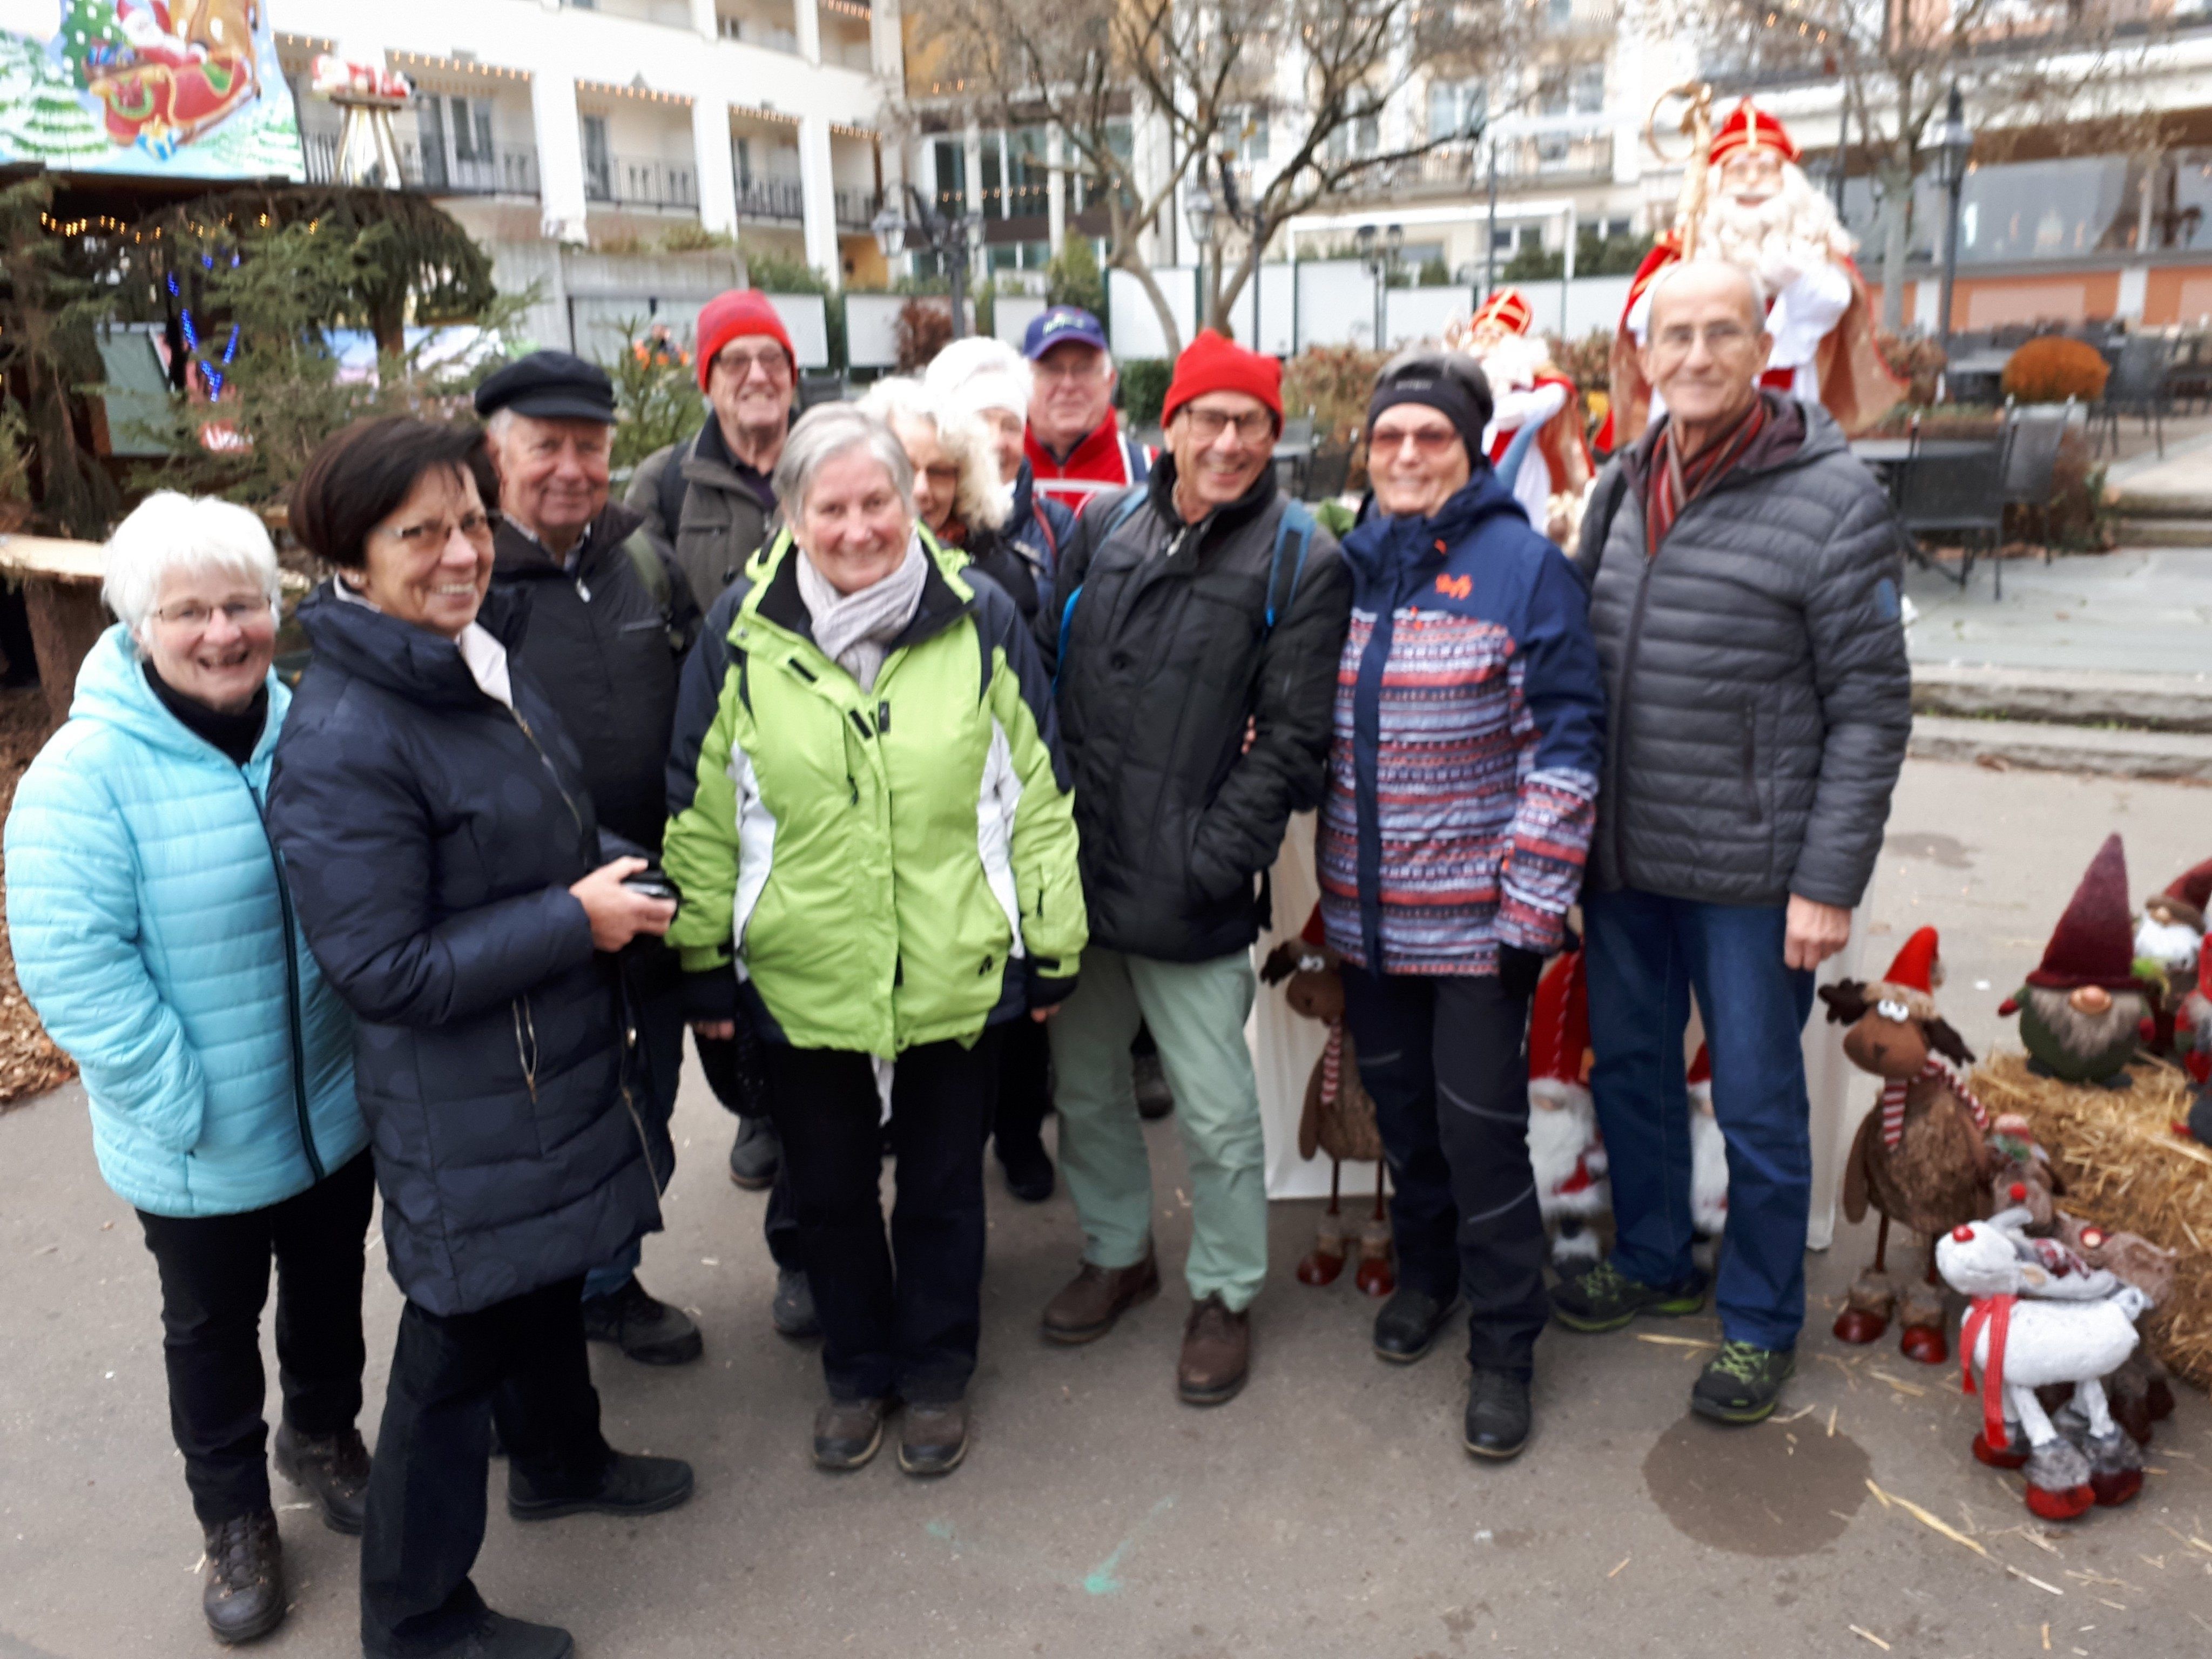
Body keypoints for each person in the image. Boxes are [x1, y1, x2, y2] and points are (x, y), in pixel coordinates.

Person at [268, 417, 694, 1659]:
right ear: (353, 556)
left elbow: (526, 830)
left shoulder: (467, 656)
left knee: (546, 1277)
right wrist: (574, 916)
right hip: (467, 1092)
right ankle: (414, 1614)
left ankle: (561, 1455)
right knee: (454, 1345)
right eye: (421, 532)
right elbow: (383, 965)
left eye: (469, 522)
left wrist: (609, 872)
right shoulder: (350, 732)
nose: (460, 552)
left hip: (540, 1056)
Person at [663, 403, 1085, 1477]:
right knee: (832, 1186)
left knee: (945, 1185)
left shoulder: (980, 617)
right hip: (807, 970)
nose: (858, 527)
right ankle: (856, 1371)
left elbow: (1035, 793)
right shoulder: (741, 634)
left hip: (956, 959)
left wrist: (1051, 943)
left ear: (913, 501)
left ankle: (936, 1372)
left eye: (877, 500)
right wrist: (704, 964)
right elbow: (704, 811)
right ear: (792, 517)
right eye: (831, 506)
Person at [5, 494, 371, 1645]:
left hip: (327, 1102)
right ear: (136, 622)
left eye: (246, 605)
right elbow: (73, 964)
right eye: (191, 611)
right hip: (197, 1130)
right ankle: (234, 1516)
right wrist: (179, 1100)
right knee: (210, 1329)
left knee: (327, 1298)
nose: (224, 633)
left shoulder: (307, 726)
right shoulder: (85, 774)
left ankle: (320, 1436)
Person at [1554, 259, 1911, 1426]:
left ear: (1761, 344)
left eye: (1721, 333)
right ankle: (1653, 1253)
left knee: (1756, 1101)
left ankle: (1758, 1318)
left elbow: (1869, 705)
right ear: (1642, 355)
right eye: (1675, 335)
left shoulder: (1832, 497)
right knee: (1637, 1076)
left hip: (1754, 878)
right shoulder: (1618, 482)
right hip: (1623, 861)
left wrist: (1825, 880)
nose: (1695, 356)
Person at [1035, 329, 1349, 1405]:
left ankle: (1223, 1291)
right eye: (1205, 418)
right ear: (1164, 427)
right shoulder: (1102, 522)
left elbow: (1295, 744)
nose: (1225, 440)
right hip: (1079, 877)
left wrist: (1214, 859)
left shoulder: (1303, 557)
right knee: (1083, 1090)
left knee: (1214, 1112)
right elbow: (1044, 671)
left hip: (1189, 889)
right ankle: (1119, 1254)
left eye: (1248, 422)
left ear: (1272, 435)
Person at [1319, 350, 1606, 1460]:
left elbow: (1565, 746)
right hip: (1363, 920)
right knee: (1402, 1125)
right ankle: (1427, 1275)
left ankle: (1503, 1346)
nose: (1403, 454)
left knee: (1480, 1141)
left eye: (1427, 437)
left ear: (1468, 447)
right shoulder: (1343, 564)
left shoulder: (1521, 567)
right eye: (1386, 437)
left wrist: (1528, 912)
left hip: (1481, 929)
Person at [476, 350, 704, 1367]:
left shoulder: (643, 560)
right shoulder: (468, 580)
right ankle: (531, 1332)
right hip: (537, 918)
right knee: (543, 1132)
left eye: (589, 447)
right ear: (495, 452)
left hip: (658, 899)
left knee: (644, 1100)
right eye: (545, 446)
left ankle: (607, 1283)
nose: (571, 468)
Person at [861, 375, 1058, 1204]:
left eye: (943, 471)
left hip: (984, 837)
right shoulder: (844, 568)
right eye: (909, 468)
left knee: (1005, 1029)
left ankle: (1016, 1137)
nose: (927, 488)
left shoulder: (999, 577)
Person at [627, 290, 797, 1235]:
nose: (756, 377)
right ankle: (753, 1105)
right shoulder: (665, 482)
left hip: (817, 749)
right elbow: (635, 604)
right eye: (734, 362)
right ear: (708, 379)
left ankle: (810, 1105)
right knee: (721, 945)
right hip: (711, 748)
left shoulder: (826, 454)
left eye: (771, 358)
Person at [1599, 98, 1903, 449]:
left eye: (1765, 170)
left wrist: (1796, 279)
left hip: (1785, 420)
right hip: (1693, 414)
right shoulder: (1686, 250)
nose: (1752, 182)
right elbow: (1646, 323)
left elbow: (1834, 302)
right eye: (1739, 171)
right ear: (1716, 183)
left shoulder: (1811, 248)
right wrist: (1685, 286)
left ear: (1788, 181)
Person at [926, 334, 1074, 577]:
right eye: (981, 424)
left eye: (1011, 427)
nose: (997, 442)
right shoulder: (919, 521)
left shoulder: (1057, 526)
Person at [1021, 304, 1152, 516]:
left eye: (1084, 369)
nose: (1068, 385)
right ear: (1023, 383)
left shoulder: (1152, 471)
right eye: (1052, 370)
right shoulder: (991, 469)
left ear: (1110, 381)